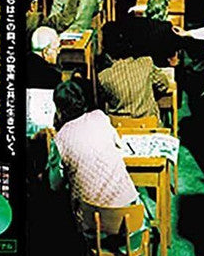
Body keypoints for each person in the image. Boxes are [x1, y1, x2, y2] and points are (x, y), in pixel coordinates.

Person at [47, 80, 139, 209]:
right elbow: (119, 145)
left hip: (88, 216)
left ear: (58, 109)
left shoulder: (60, 139)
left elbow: (55, 185)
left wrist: (52, 159)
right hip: (128, 209)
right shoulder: (100, 117)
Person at [98, 22, 169, 121]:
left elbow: (102, 103)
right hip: (149, 124)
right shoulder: (146, 63)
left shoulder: (103, 77)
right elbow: (164, 85)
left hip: (119, 127)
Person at [123, 0, 182, 68]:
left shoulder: (137, 24)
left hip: (137, 66)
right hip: (159, 66)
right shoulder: (166, 27)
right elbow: (173, 59)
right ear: (165, 9)